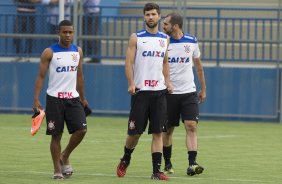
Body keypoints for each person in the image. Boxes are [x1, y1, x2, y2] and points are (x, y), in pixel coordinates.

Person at [116, 2, 173, 181]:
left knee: (158, 132)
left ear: (159, 16)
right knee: (135, 133)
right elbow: (128, 62)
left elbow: (164, 62)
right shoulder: (136, 37)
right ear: (144, 17)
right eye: (148, 14)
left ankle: (156, 171)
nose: (150, 17)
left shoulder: (165, 39)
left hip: (159, 92)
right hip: (141, 92)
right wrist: (131, 82)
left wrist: (168, 81)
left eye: (154, 14)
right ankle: (126, 158)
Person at [33, 20, 88, 180]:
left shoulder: (78, 51)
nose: (68, 35)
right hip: (54, 99)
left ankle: (65, 155)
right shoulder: (49, 52)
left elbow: (80, 76)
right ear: (59, 32)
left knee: (82, 130)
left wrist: (83, 98)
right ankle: (57, 170)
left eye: (70, 32)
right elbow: (41, 76)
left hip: (73, 99)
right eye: (65, 32)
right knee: (56, 136)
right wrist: (36, 99)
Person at [162, 12, 206, 176]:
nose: (163, 26)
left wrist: (203, 88)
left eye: (166, 23)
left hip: (189, 92)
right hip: (169, 93)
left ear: (175, 26)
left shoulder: (192, 41)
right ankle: (167, 163)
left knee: (191, 126)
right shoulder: (163, 42)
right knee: (168, 130)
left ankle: (192, 164)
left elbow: (199, 66)